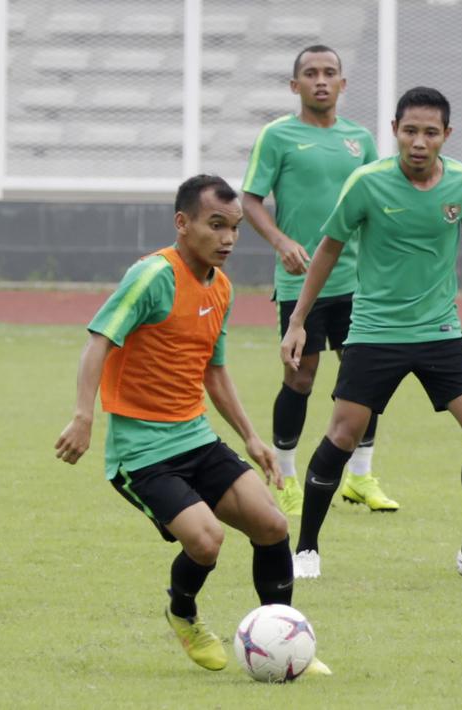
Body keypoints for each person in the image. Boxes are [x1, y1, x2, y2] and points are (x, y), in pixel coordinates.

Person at [54, 175, 328, 676]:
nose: (227, 239)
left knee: (272, 525)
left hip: (196, 436)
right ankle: (182, 613)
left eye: (235, 228)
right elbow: (98, 341)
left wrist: (250, 436)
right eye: (215, 225)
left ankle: (286, 641)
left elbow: (214, 370)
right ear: (183, 224)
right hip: (141, 453)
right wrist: (83, 415)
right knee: (205, 541)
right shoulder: (151, 276)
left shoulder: (220, 287)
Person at [281, 86, 462, 581]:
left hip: (439, 332)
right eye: (410, 130)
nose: (419, 141)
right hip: (375, 331)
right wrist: (297, 320)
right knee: (343, 434)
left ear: (447, 135)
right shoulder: (366, 183)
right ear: (395, 130)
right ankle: (306, 549)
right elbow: (328, 249)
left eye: (430, 132)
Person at [242, 45, 396, 516]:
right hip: (300, 284)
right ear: (295, 86)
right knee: (300, 377)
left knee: (364, 378)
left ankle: (361, 476)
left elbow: (377, 203)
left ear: (343, 84)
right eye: (311, 73)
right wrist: (282, 242)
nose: (321, 80)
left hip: (358, 283)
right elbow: (249, 201)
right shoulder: (277, 136)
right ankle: (285, 477)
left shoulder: (361, 140)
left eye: (330, 72)